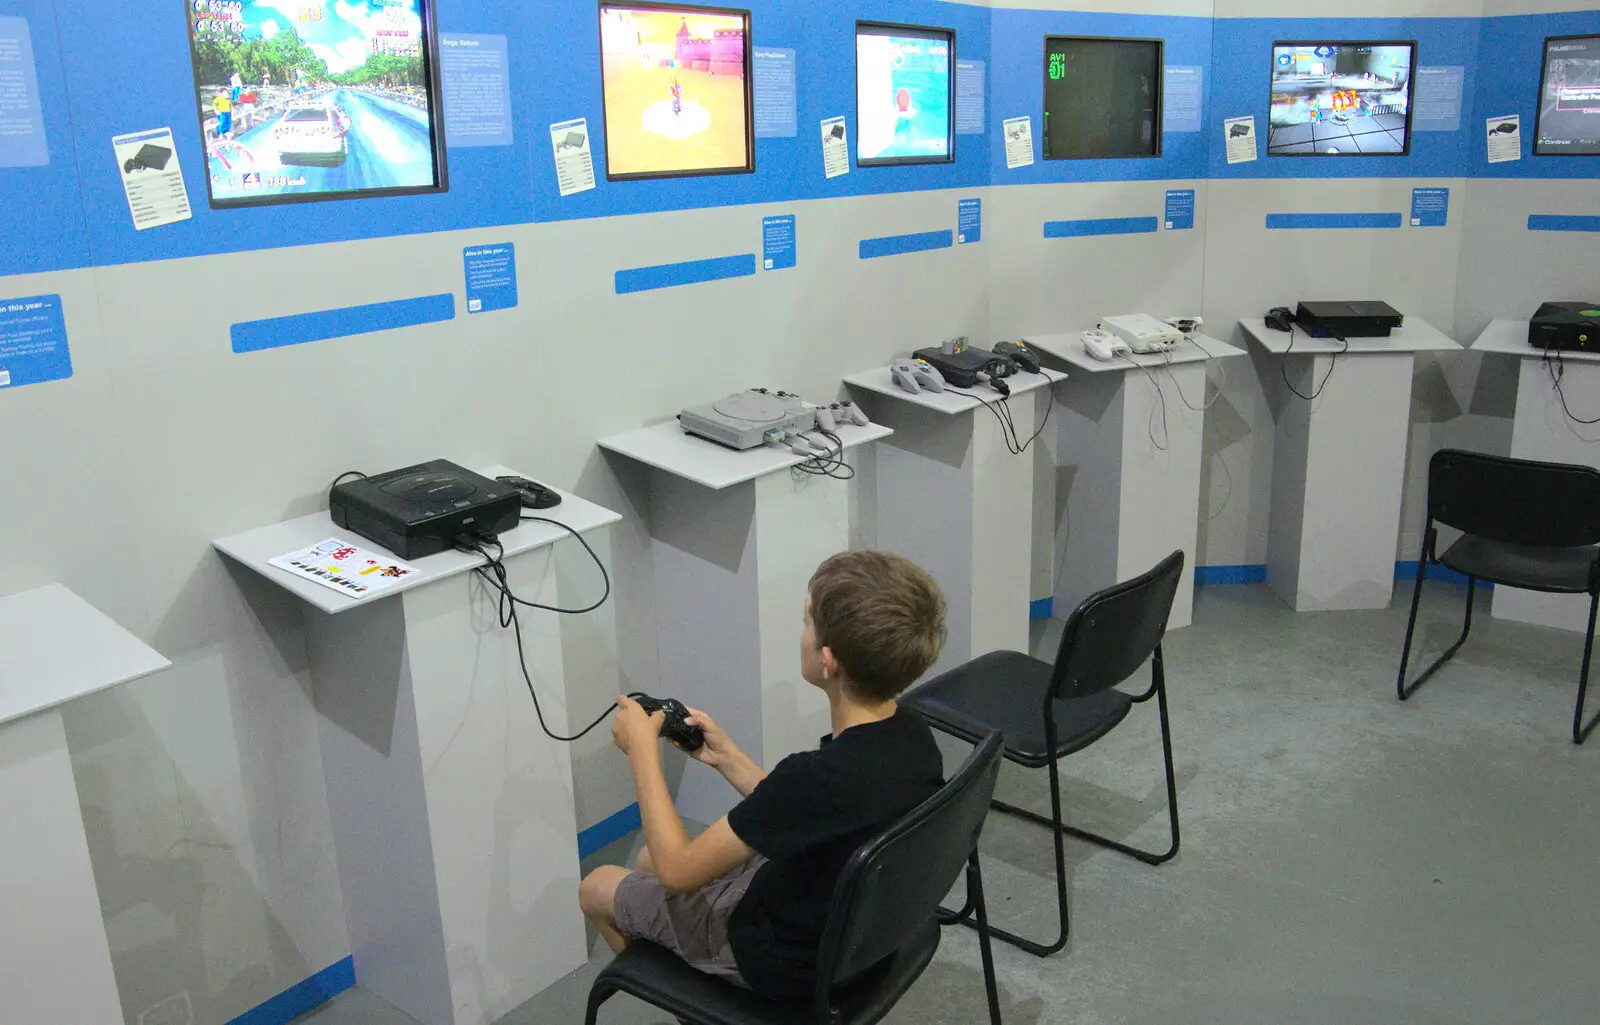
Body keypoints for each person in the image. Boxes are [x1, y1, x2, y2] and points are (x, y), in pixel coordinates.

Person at [579, 551, 948, 1001]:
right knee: (642, 866)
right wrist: (727, 758)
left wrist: (642, 754)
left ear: (828, 661)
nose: (802, 633)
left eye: (807, 622)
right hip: (854, 933)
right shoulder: (913, 738)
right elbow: (812, 806)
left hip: (779, 958)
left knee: (598, 886)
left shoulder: (812, 776)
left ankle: (689, 998)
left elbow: (678, 872)